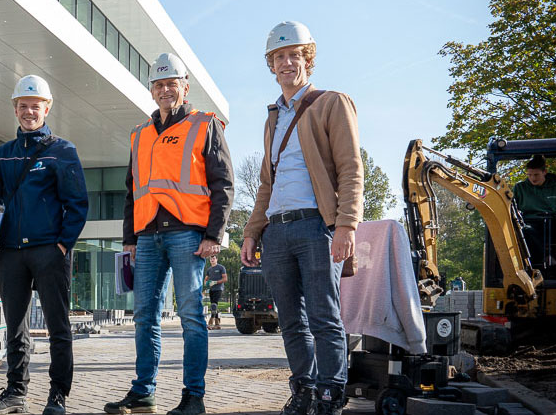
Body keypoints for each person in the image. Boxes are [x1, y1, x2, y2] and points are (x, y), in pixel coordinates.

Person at [240, 21, 364, 415]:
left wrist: (346, 225)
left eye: (294, 54)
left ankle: (331, 394)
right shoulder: (273, 118)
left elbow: (351, 168)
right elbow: (266, 182)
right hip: (276, 232)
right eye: (279, 56)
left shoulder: (332, 103)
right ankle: (305, 390)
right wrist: (251, 232)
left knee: (324, 316)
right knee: (291, 321)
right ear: (271, 65)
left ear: (307, 59)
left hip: (316, 227)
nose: (287, 62)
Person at [103, 53, 234, 415]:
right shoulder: (140, 134)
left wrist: (214, 235)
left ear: (184, 87)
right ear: (151, 90)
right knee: (144, 316)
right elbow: (132, 192)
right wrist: (129, 239)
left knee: (191, 316)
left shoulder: (204, 125)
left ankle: (194, 396)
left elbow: (224, 184)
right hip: (147, 237)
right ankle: (143, 392)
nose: (165, 90)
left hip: (188, 236)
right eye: (158, 85)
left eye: (171, 84)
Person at [0, 75, 88, 415]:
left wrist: (63, 245)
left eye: (35, 106)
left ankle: (58, 395)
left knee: (58, 326)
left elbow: (77, 203)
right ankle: (15, 392)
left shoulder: (62, 151)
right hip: (11, 253)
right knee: (15, 327)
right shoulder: (3, 154)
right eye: (23, 106)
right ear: (15, 108)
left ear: (47, 108)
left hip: (49, 251)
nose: (29, 112)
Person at [203, 255, 227, 330]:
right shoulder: (209, 269)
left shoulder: (221, 267)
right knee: (214, 306)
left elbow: (225, 279)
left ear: (217, 259)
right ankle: (217, 324)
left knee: (214, 305)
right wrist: (206, 283)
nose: (212, 260)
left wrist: (216, 282)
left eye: (214, 258)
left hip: (219, 288)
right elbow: (205, 280)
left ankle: (210, 323)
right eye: (211, 259)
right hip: (211, 289)